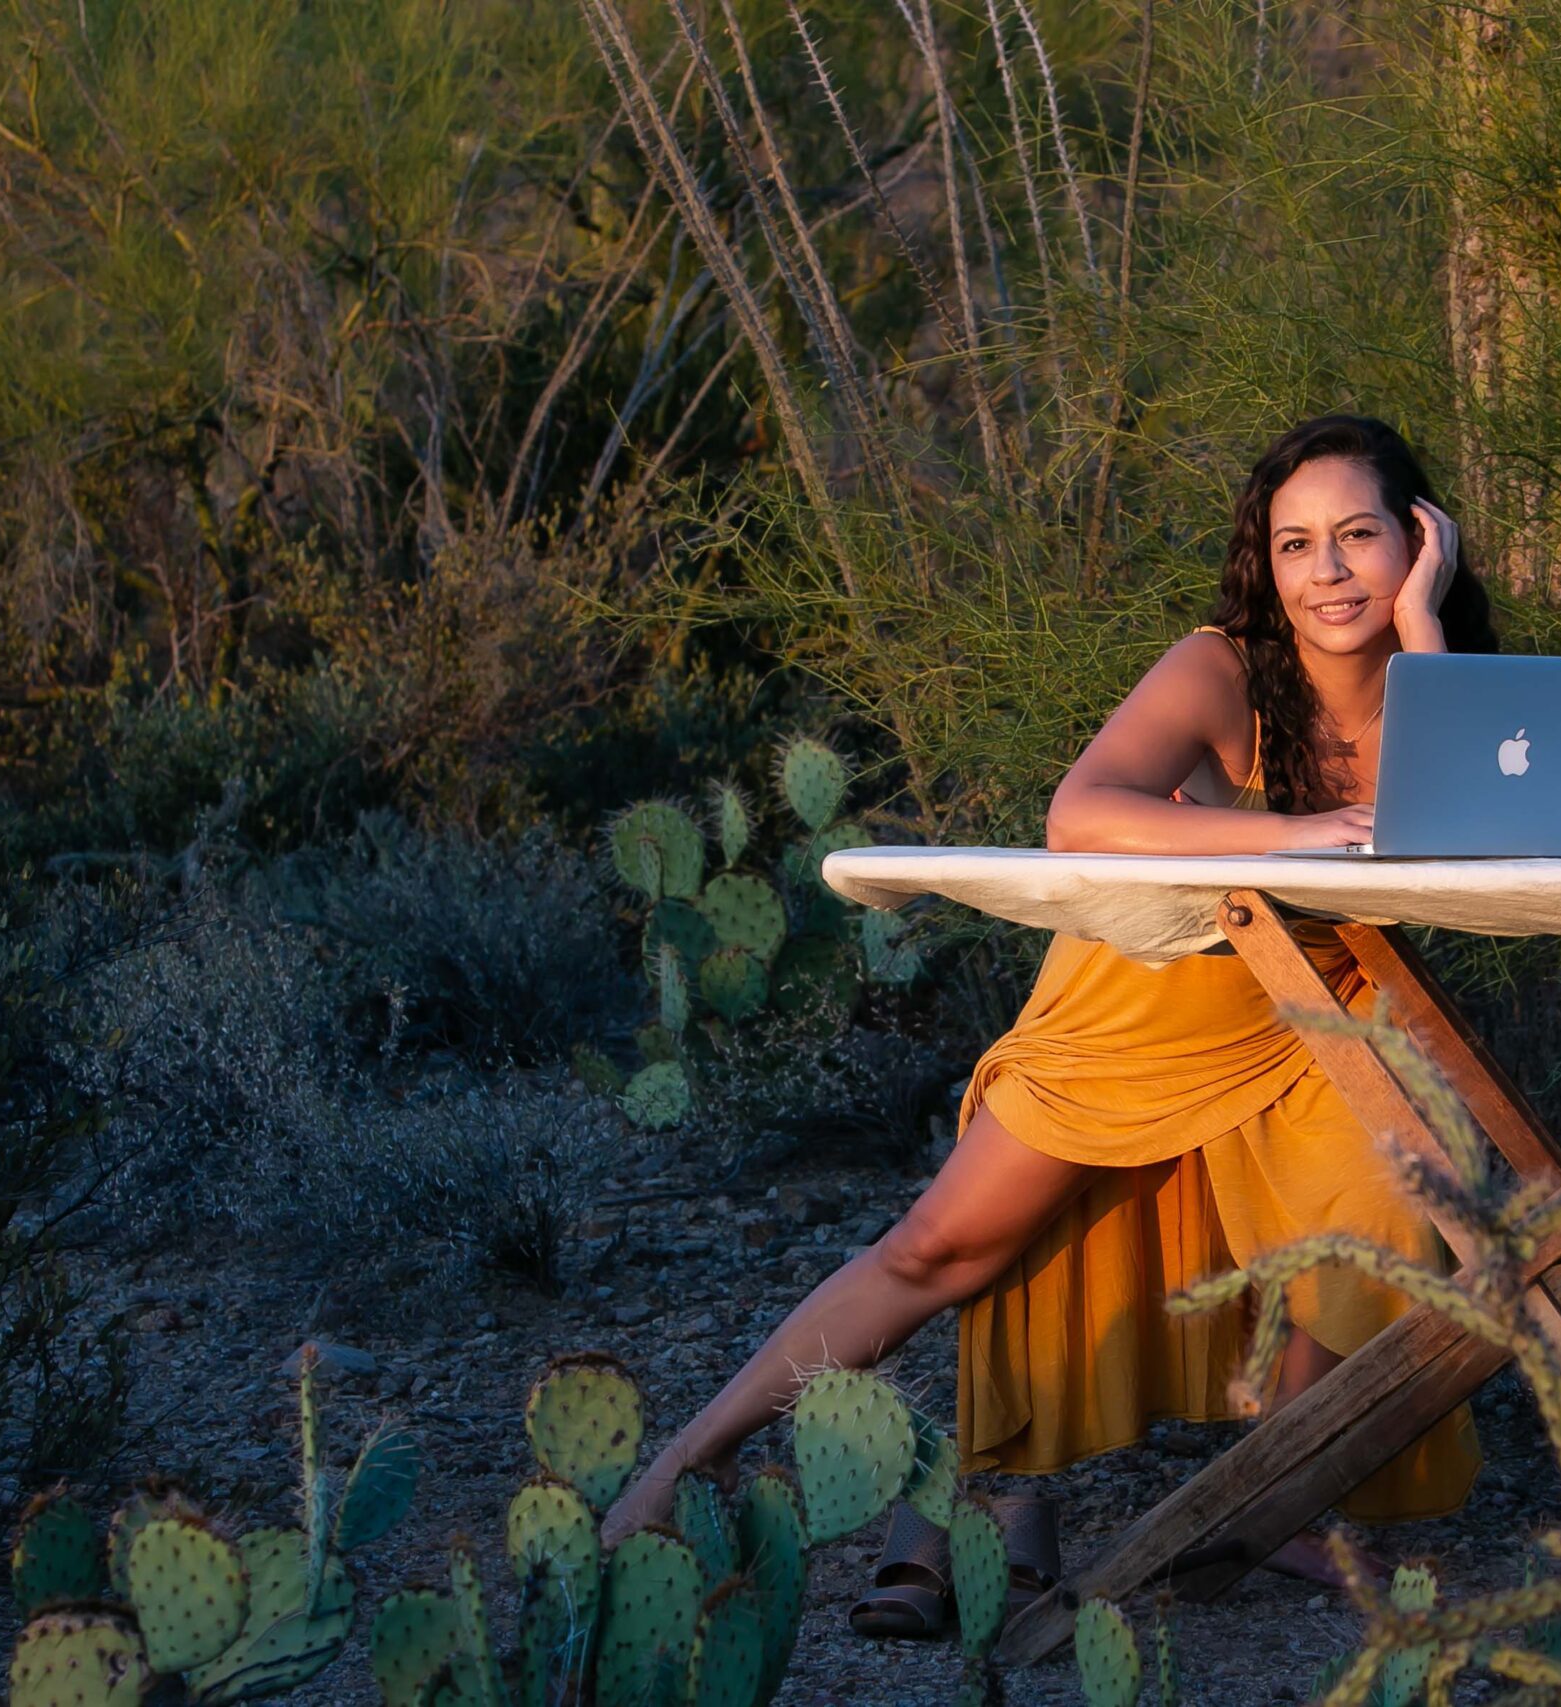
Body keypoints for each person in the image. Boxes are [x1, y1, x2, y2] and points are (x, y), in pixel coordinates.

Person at [598, 414, 1498, 1625]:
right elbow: (1080, 814)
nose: (1328, 573)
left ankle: (1277, 1497)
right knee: (944, 1250)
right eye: (1295, 545)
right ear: (1262, 561)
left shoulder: (1450, 671)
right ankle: (683, 1465)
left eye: (1360, 538)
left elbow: (1453, 834)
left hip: (1318, 1012)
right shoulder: (1221, 666)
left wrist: (1427, 624)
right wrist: (1284, 831)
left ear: (1418, 539)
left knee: (1381, 1208)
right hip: (1138, 1007)